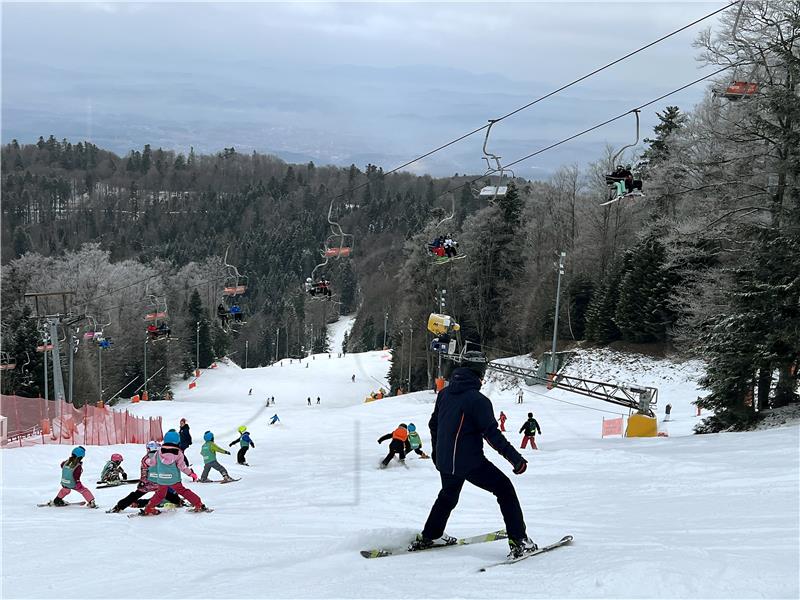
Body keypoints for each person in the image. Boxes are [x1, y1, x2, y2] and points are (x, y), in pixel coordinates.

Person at [410, 351, 536, 559]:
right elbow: (492, 435)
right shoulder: (478, 400)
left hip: (445, 461)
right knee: (505, 490)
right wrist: (516, 459)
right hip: (469, 462)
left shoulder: (445, 394)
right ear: (480, 372)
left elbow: (434, 425)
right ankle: (520, 541)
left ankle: (431, 535)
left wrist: (437, 452)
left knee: (448, 495)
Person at [141, 430, 207, 515]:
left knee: (160, 494)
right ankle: (198, 504)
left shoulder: (159, 451)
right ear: (177, 441)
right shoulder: (179, 453)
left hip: (161, 479)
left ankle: (149, 508)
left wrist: (146, 461)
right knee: (183, 491)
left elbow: (152, 463)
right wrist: (191, 474)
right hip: (174, 479)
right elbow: (182, 467)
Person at [107, 441, 183, 513]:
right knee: (166, 494)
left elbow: (145, 470)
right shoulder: (161, 458)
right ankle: (178, 501)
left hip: (147, 483)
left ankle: (119, 506)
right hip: (158, 483)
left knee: (135, 495)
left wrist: (143, 481)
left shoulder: (145, 458)